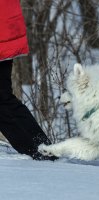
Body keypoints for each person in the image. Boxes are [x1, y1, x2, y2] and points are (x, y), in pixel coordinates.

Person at [0, 0, 57, 160]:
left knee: (2, 101)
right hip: (6, 29)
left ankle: (41, 151)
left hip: (3, 30)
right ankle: (42, 149)